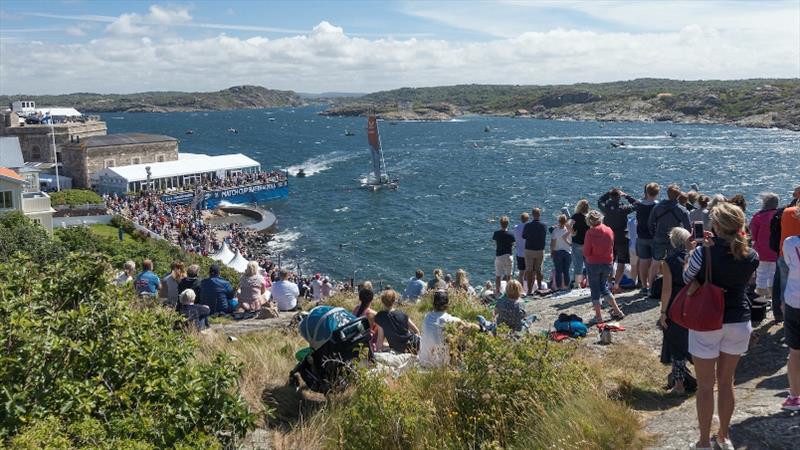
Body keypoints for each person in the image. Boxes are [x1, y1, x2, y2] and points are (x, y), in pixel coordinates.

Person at [682, 202, 759, 450]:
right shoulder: (751, 256)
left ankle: (704, 442)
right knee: (727, 382)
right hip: (738, 321)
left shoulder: (703, 253)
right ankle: (724, 437)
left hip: (707, 320)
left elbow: (687, 278)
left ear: (715, 226)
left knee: (705, 386)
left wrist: (693, 252)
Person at [659, 227, 693, 395]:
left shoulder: (669, 261)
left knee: (676, 346)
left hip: (676, 305)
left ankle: (679, 385)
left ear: (673, 241)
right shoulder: (696, 256)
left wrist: (663, 312)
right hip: (695, 302)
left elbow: (667, 289)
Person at [583, 210, 625, 325]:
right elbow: (611, 245)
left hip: (593, 263)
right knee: (604, 288)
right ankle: (617, 311)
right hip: (607, 262)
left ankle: (599, 316)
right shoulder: (609, 230)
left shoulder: (590, 233)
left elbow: (586, 252)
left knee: (595, 290)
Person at [418, 290, 479, 368]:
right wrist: (478, 326)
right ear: (447, 305)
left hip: (423, 361)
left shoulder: (426, 317)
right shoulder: (449, 320)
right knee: (460, 340)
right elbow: (469, 327)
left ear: (433, 304)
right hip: (439, 365)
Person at [598, 188, 639, 293]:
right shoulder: (623, 208)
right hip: (621, 238)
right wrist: (626, 196)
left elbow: (600, 201)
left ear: (611, 196)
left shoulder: (605, 208)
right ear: (619, 197)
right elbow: (637, 204)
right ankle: (616, 285)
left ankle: (609, 284)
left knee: (609, 262)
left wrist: (609, 193)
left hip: (608, 238)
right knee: (621, 262)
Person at [649, 184, 691, 263]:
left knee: (656, 263)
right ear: (678, 195)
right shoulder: (682, 210)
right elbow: (688, 228)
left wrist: (654, 234)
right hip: (675, 239)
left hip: (659, 236)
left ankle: (654, 275)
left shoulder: (658, 207)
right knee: (673, 263)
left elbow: (650, 223)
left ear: (668, 194)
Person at [782, 228, 800, 411]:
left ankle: (795, 397)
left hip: (795, 300)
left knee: (795, 352)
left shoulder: (790, 243)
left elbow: (789, 264)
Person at [749, 193, 780, 298]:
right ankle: (772, 298)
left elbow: (753, 235)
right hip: (776, 250)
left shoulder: (758, 216)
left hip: (761, 251)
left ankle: (761, 298)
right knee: (773, 275)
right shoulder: (780, 215)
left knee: (761, 274)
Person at [374, 289, 420, 353]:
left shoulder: (380, 317)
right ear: (394, 301)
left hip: (398, 348)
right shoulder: (402, 314)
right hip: (412, 345)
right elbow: (417, 331)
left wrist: (376, 351)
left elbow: (379, 341)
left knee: (382, 346)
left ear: (382, 301)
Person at [636, 183, 660, 294]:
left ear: (646, 192)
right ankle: (652, 287)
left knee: (643, 262)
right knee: (655, 263)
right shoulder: (658, 206)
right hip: (654, 237)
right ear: (657, 193)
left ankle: (644, 286)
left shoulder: (639, 205)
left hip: (641, 236)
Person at [522, 208, 547, 295]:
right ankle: (539, 287)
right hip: (539, 250)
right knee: (539, 270)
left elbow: (524, 236)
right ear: (540, 214)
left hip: (529, 249)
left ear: (532, 215)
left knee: (529, 270)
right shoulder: (543, 225)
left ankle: (529, 290)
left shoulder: (528, 225)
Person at [569, 199, 590, 288]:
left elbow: (568, 224)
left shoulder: (576, 216)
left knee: (578, 264)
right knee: (589, 264)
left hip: (577, 242)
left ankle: (577, 284)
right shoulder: (589, 216)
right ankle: (589, 283)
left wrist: (572, 232)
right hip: (587, 243)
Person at [492, 215, 515, 293]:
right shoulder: (511, 234)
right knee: (509, 276)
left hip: (499, 256)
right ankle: (509, 292)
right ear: (508, 224)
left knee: (498, 276)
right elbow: (513, 244)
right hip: (508, 255)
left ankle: (498, 292)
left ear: (500, 223)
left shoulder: (496, 234)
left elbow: (495, 244)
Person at [550, 214, 572, 290]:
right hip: (567, 252)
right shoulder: (568, 230)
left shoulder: (555, 231)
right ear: (566, 221)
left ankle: (559, 287)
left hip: (558, 252)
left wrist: (552, 252)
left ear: (558, 221)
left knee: (558, 270)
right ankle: (567, 286)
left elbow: (553, 243)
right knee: (566, 270)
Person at [513, 212, 529, 284]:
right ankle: (526, 287)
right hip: (528, 252)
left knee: (521, 273)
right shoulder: (529, 228)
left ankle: (521, 288)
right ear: (528, 219)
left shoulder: (516, 227)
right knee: (527, 272)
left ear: (521, 219)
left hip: (519, 253)